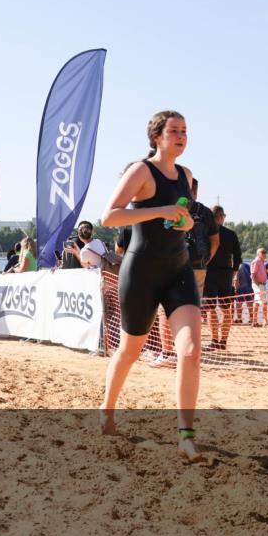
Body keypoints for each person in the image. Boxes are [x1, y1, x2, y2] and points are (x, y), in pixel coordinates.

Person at [99, 109, 204, 462]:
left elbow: (183, 221)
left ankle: (186, 436)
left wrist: (184, 223)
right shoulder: (141, 171)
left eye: (185, 131)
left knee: (189, 351)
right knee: (130, 351)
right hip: (140, 272)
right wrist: (159, 211)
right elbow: (110, 215)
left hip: (178, 271)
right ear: (157, 136)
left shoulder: (186, 176)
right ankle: (107, 409)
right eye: (174, 131)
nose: (181, 136)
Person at [204, 205, 241, 349]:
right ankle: (223, 342)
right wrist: (232, 274)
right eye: (224, 216)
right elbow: (237, 258)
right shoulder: (231, 234)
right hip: (225, 273)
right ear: (220, 217)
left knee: (211, 309)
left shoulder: (206, 233)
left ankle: (214, 340)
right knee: (226, 308)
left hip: (209, 272)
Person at [185, 178, 219, 301]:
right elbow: (215, 241)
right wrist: (206, 260)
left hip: (173, 263)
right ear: (195, 191)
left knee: (168, 308)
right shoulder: (206, 212)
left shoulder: (171, 209)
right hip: (198, 264)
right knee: (194, 303)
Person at [251, 248, 268, 326]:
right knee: (264, 302)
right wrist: (258, 284)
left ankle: (254, 321)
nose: (265, 254)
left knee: (257, 302)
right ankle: (265, 320)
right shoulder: (257, 261)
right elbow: (253, 274)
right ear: (258, 254)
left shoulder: (261, 262)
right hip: (259, 284)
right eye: (263, 252)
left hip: (261, 284)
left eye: (265, 252)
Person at [233, 260, 254, 324]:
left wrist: (235, 289)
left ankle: (239, 319)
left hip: (241, 288)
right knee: (250, 304)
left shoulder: (238, 267)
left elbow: (236, 279)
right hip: (249, 287)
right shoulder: (247, 265)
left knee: (239, 304)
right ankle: (251, 319)